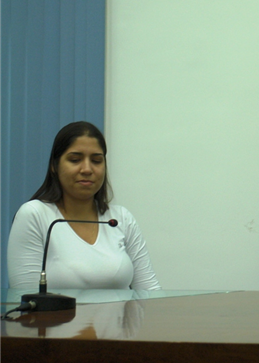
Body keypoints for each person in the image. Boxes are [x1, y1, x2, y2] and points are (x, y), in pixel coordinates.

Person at [7, 121, 160, 290]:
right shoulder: (35, 215)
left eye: (96, 161)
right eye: (75, 160)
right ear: (54, 166)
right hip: (56, 318)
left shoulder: (120, 219)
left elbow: (149, 293)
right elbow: (26, 301)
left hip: (119, 317)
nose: (87, 169)